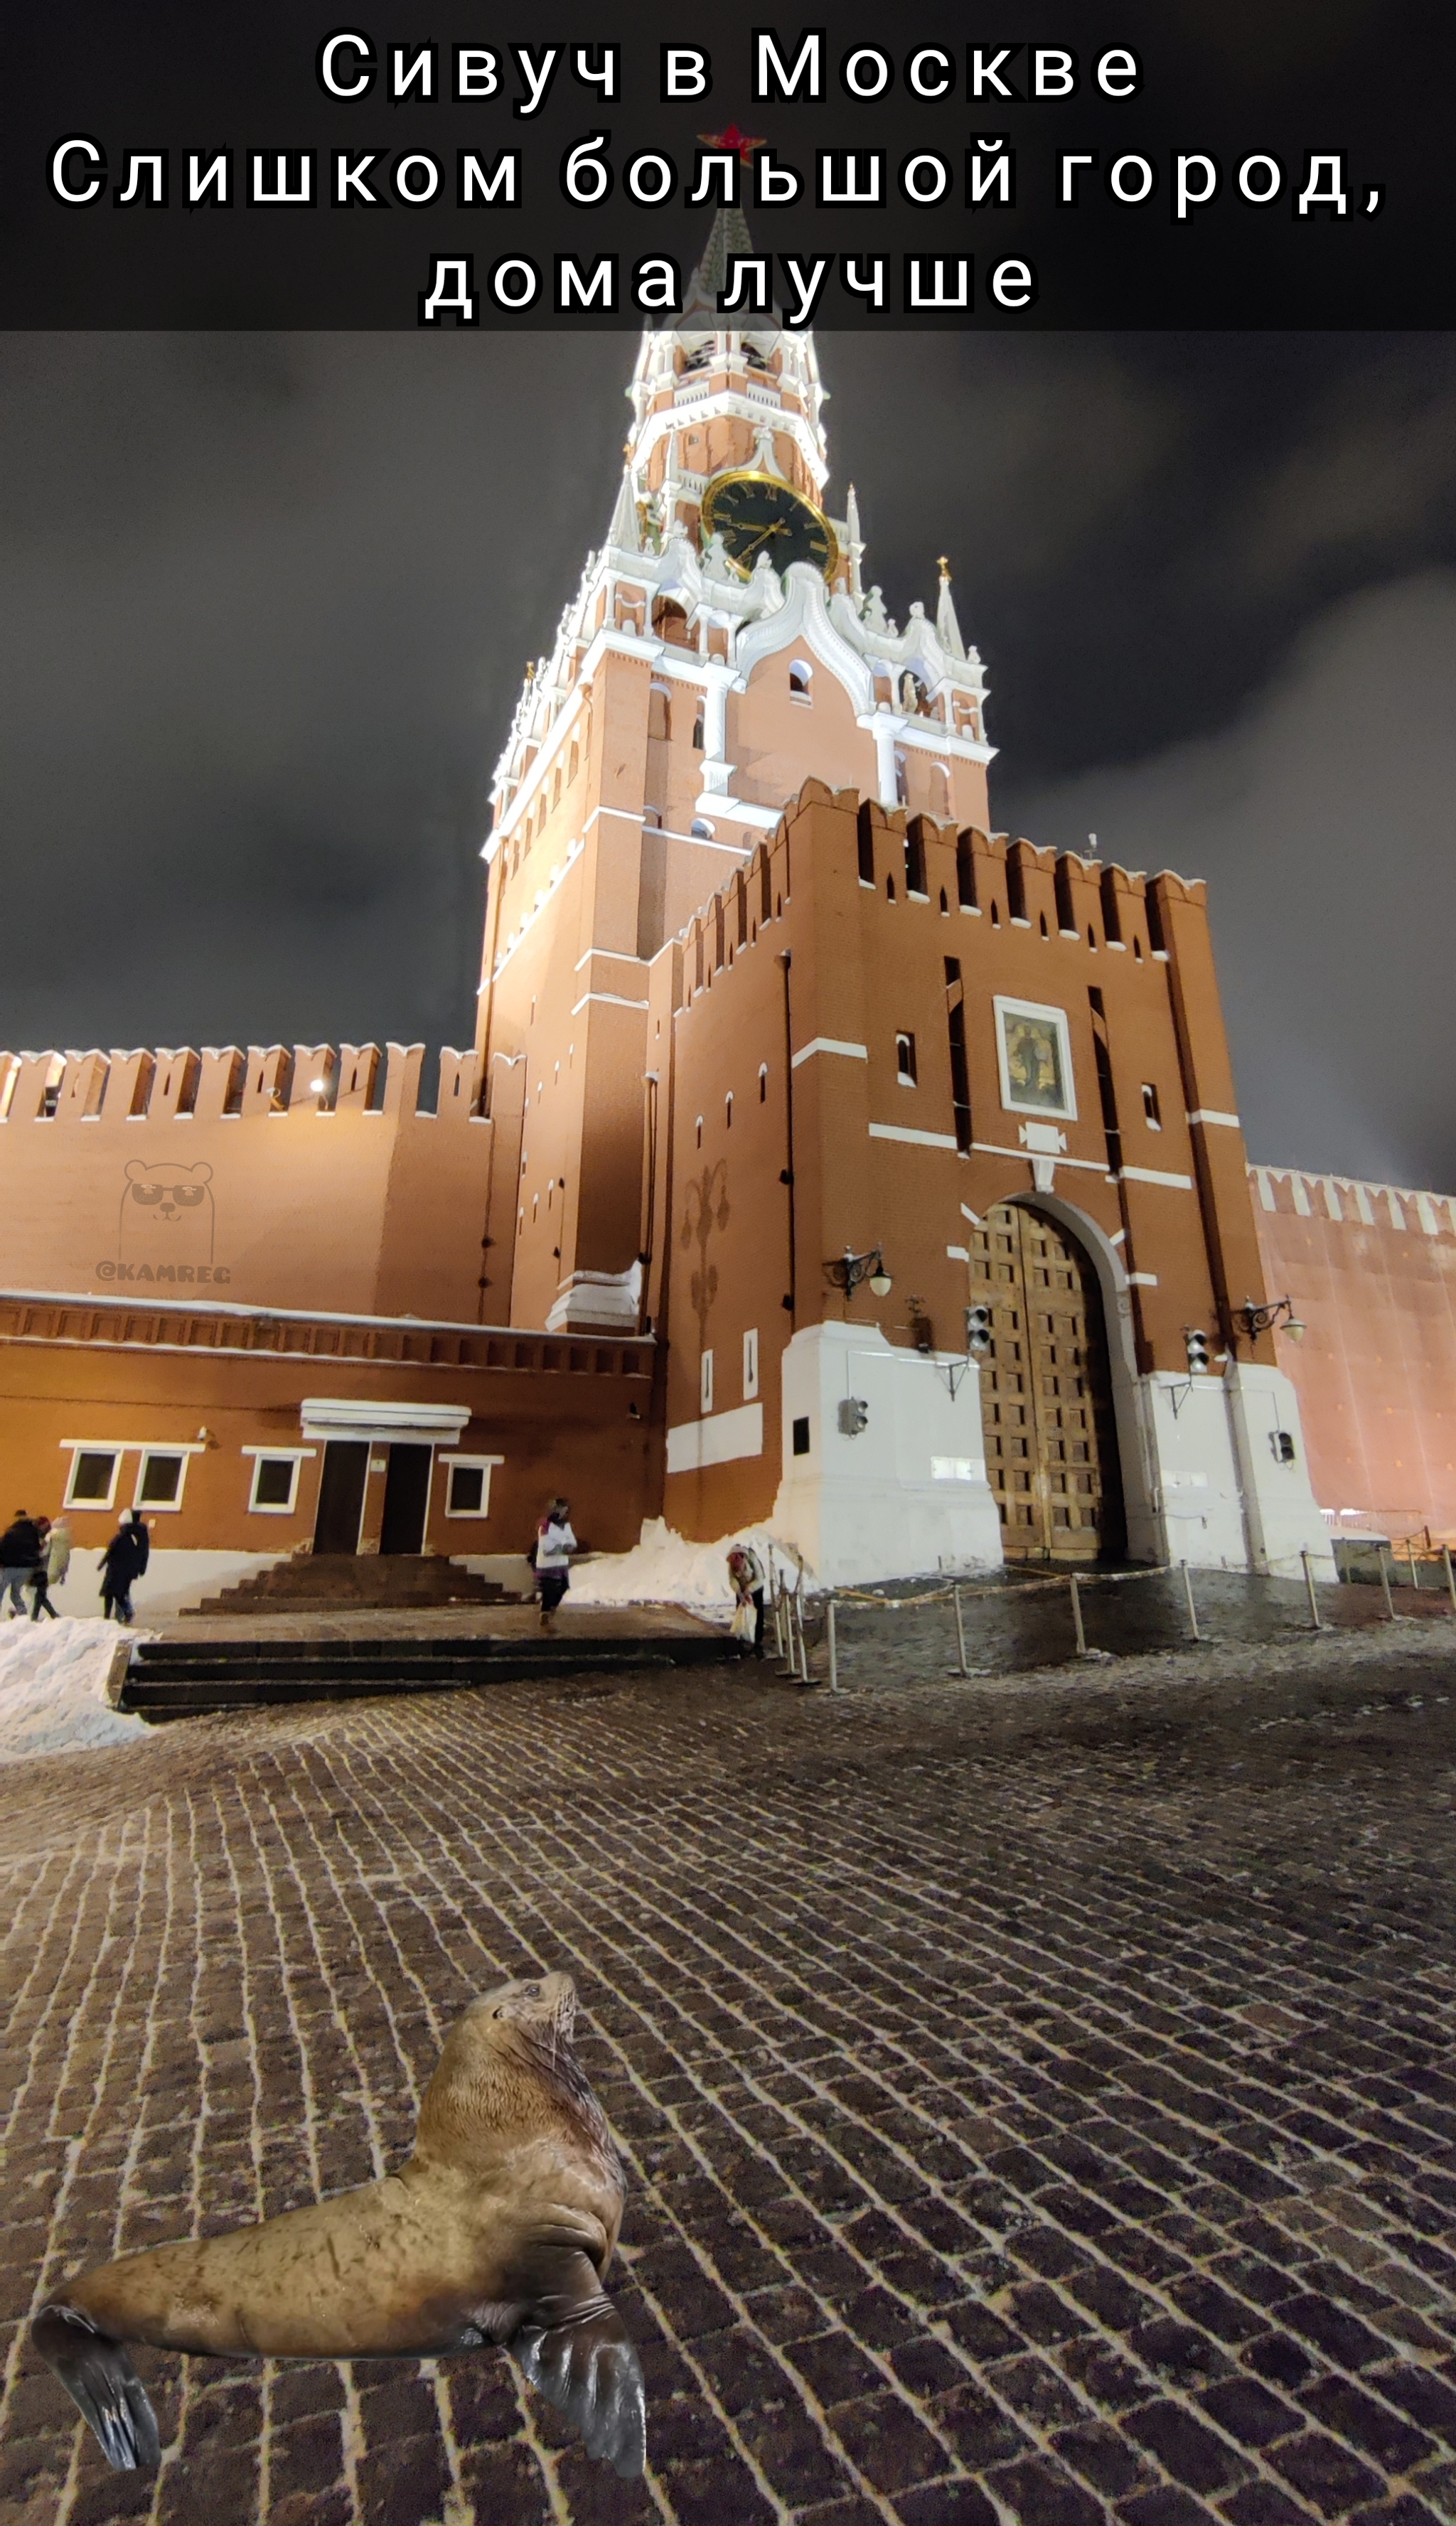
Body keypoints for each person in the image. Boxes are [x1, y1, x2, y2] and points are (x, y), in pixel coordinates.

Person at [99, 1508, 150, 1624]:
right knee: (122, 1591)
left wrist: (102, 1564)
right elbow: (144, 1552)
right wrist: (142, 1567)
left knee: (118, 1592)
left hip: (119, 1568)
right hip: (131, 1568)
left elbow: (111, 1550)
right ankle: (122, 1614)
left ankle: (122, 1615)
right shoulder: (140, 1533)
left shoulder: (127, 1534)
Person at [534, 1498, 577, 1631]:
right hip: (548, 1566)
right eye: (562, 1510)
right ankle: (545, 1618)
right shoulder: (545, 1526)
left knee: (563, 1586)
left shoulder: (566, 1526)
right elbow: (546, 1548)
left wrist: (570, 1547)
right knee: (550, 1590)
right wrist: (562, 1549)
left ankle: (550, 1611)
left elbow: (572, 1541)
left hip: (562, 1564)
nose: (565, 1513)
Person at [727, 1541, 767, 1659]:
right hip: (742, 1587)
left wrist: (750, 1590)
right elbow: (732, 1579)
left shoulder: (752, 1559)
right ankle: (742, 1639)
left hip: (755, 1586)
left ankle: (758, 1640)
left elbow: (760, 1578)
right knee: (741, 1611)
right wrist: (740, 1593)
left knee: (758, 1611)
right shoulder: (731, 1565)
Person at [0, 1510, 43, 1618]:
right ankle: (23, 1615)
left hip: (9, 1567)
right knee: (15, 1593)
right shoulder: (33, 1532)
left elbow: (3, 1548)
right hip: (27, 1569)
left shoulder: (11, 1532)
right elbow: (37, 1549)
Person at [28, 1518, 59, 1621]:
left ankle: (38, 1616)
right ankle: (53, 1615)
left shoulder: (48, 1538)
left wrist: (38, 1550)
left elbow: (45, 1553)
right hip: (40, 1569)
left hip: (43, 1569)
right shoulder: (39, 1536)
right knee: (40, 1595)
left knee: (40, 1594)